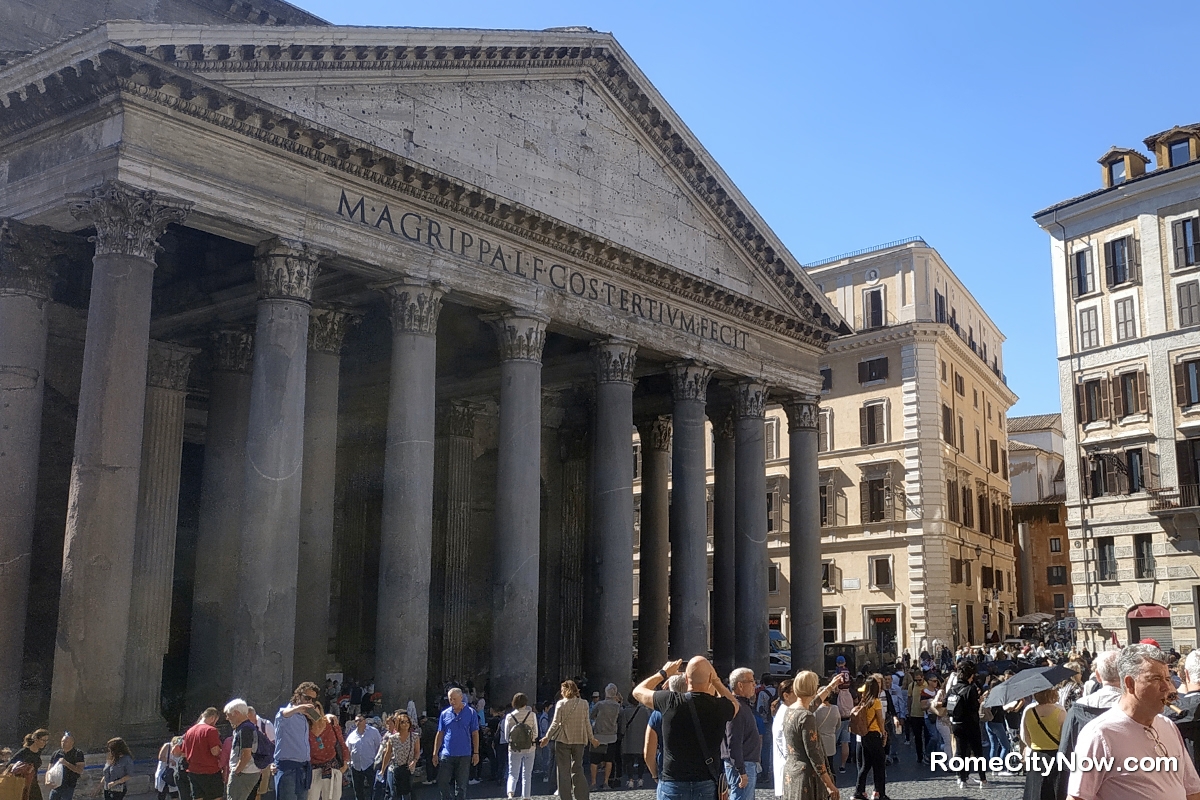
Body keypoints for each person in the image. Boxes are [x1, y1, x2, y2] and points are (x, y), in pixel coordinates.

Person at [1067, 643, 1200, 800]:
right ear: (1130, 683)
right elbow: (1078, 797)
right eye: (1156, 679)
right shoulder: (1099, 735)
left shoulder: (1168, 725)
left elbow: (1191, 789)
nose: (1168, 688)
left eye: (1168, 678)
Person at [630, 657, 738, 800]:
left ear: (686, 679)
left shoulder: (670, 701)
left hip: (673, 781)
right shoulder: (719, 707)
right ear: (710, 678)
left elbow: (638, 691)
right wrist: (716, 681)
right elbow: (735, 704)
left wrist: (663, 673)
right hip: (705, 782)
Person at [780, 672, 838, 800]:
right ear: (813, 688)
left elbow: (813, 704)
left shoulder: (790, 709)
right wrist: (829, 784)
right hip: (806, 776)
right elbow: (814, 753)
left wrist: (830, 686)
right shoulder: (806, 716)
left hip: (791, 771)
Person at [542, 679, 599, 800]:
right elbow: (587, 722)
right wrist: (591, 738)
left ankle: (566, 797)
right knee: (578, 768)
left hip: (563, 739)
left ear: (566, 691)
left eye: (562, 690)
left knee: (563, 771)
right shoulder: (584, 703)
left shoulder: (561, 704)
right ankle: (582, 796)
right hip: (579, 740)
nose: (561, 693)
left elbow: (555, 723)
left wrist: (547, 737)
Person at [275, 682, 322, 800]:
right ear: (298, 696)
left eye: (313, 700)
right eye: (307, 698)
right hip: (288, 768)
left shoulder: (304, 718)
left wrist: (326, 716)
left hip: (303, 768)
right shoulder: (286, 713)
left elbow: (319, 730)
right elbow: (283, 714)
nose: (310, 702)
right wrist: (299, 708)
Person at [721, 668, 762, 800]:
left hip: (745, 762)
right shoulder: (737, 707)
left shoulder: (742, 705)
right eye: (751, 681)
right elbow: (733, 741)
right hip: (742, 764)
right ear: (740, 684)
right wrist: (741, 770)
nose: (754, 685)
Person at [643, 674, 686, 798]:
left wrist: (655, 774)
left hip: (668, 772)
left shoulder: (658, 714)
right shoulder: (702, 709)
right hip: (700, 775)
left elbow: (648, 752)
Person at [433, 688, 480, 800]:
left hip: (464, 754)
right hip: (447, 753)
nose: (452, 701)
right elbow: (440, 734)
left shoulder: (471, 712)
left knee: (461, 785)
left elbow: (475, 734)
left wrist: (476, 752)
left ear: (461, 698)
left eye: (454, 699)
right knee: (442, 781)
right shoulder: (445, 714)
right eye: (450, 699)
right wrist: (435, 753)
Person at [946, 661, 986, 790]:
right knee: (978, 752)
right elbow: (973, 708)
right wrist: (980, 701)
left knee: (961, 752)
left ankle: (962, 779)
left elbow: (946, 703)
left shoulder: (953, 688)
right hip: (971, 724)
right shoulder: (970, 689)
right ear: (971, 675)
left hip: (957, 724)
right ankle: (982, 779)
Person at [1019, 689, 1063, 800]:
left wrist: (1033, 745)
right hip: (1055, 756)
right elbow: (1065, 738)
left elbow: (1025, 736)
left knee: (1035, 791)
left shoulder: (1029, 712)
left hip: (1036, 755)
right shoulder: (1061, 713)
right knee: (1054, 792)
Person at [850, 675, 887, 800]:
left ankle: (858, 791)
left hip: (864, 736)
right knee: (880, 765)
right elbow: (880, 720)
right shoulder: (876, 702)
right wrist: (884, 733)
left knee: (865, 766)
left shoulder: (863, 701)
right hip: (874, 735)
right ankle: (880, 792)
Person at [308, 701, 351, 800]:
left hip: (331, 767)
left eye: (315, 709)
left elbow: (341, 742)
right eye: (310, 710)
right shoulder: (305, 728)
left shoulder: (330, 723)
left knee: (332, 797)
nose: (313, 712)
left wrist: (345, 764)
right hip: (313, 768)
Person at [183, 708, 225, 800]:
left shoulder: (189, 731)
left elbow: (183, 752)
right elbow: (215, 751)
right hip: (210, 771)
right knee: (216, 797)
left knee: (198, 797)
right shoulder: (211, 730)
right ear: (213, 718)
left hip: (193, 771)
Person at [224, 699, 261, 800]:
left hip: (244, 773)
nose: (227, 718)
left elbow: (246, 754)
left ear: (236, 713)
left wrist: (236, 771)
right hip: (248, 772)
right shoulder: (248, 727)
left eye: (228, 714)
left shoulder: (245, 729)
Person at [504, 694, 538, 799]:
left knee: (513, 773)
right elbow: (535, 733)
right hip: (529, 747)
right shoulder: (532, 715)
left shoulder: (509, 717)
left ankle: (510, 793)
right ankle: (526, 796)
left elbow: (506, 736)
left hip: (514, 748)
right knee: (527, 774)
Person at [381, 711, 420, 800]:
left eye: (407, 722)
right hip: (394, 769)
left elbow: (417, 752)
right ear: (398, 723)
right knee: (394, 794)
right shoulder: (392, 738)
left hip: (408, 769)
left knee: (406, 794)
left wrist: (414, 761)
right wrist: (383, 770)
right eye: (402, 722)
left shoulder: (414, 737)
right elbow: (387, 754)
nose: (405, 724)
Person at [589, 685, 621, 790]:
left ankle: (593, 783)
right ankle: (606, 782)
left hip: (599, 735)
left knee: (594, 761)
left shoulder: (600, 704)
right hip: (611, 736)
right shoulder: (617, 706)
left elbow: (591, 715)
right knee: (609, 760)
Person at [6, 729, 50, 800]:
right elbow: (9, 765)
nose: (45, 743)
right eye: (43, 740)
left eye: (46, 740)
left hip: (34, 784)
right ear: (36, 739)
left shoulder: (38, 751)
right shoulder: (24, 752)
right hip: (23, 784)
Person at [770, 678, 796, 796]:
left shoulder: (787, 711)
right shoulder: (785, 713)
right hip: (788, 771)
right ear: (786, 695)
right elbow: (785, 745)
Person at [346, 715, 382, 800]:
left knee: (374, 788)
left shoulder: (373, 732)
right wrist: (349, 762)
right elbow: (347, 749)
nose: (358, 722)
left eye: (360, 720)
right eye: (356, 721)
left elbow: (379, 746)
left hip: (370, 764)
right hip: (356, 766)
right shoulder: (352, 735)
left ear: (365, 721)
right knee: (358, 791)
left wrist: (377, 760)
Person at [617, 695, 649, 789]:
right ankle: (640, 779)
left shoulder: (625, 711)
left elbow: (622, 726)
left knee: (629, 761)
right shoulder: (644, 711)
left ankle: (630, 780)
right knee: (641, 761)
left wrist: (621, 735)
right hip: (641, 738)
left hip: (629, 738)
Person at [246, 708, 274, 799]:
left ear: (251, 715)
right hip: (249, 763)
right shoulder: (245, 727)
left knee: (261, 791)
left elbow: (274, 744)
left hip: (264, 764)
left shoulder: (266, 725)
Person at [47, 733, 85, 800]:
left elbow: (80, 770)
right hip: (56, 786)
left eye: (66, 741)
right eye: (62, 741)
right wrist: (47, 780)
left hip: (69, 786)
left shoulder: (77, 753)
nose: (63, 743)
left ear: (72, 742)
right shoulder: (56, 754)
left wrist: (66, 763)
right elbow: (49, 770)